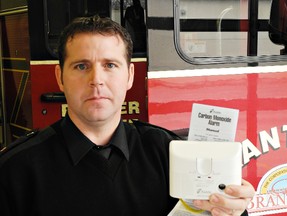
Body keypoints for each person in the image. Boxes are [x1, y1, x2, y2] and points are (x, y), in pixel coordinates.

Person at [0, 15, 254, 216]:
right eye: (81, 66)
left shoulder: (167, 152)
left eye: (110, 65)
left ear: (130, 75)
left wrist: (233, 209)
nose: (96, 80)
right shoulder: (14, 171)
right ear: (60, 78)